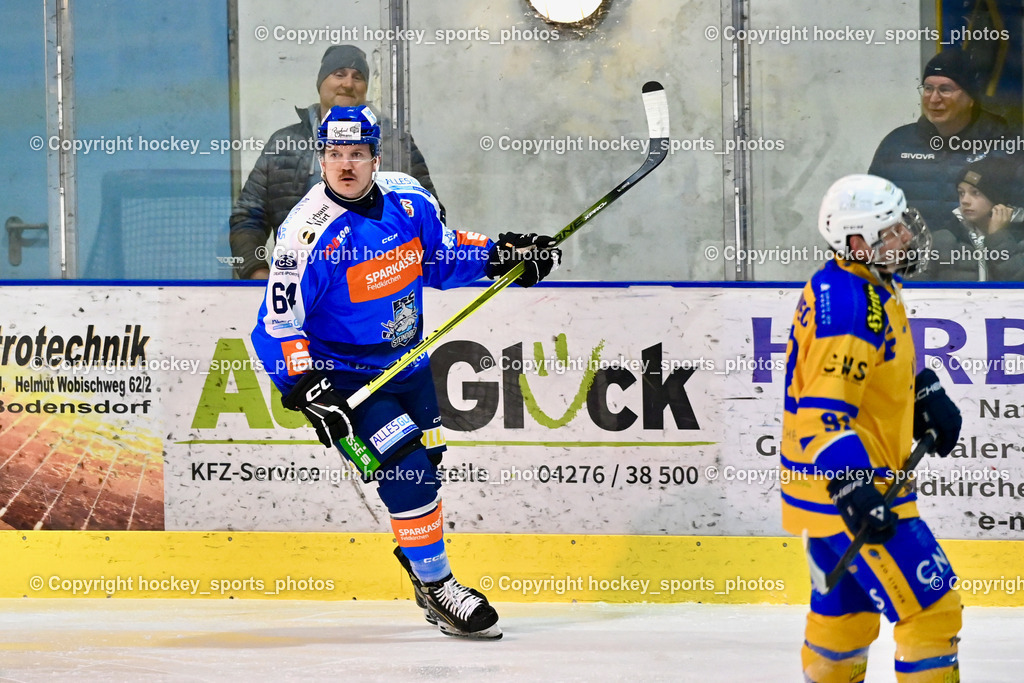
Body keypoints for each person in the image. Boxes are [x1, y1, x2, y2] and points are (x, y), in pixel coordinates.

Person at [250, 105, 560, 639]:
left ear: (374, 156)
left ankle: (420, 570)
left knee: (427, 468)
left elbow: (437, 258)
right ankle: (439, 586)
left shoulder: (407, 197)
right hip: (347, 378)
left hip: (408, 364)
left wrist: (504, 257)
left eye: (355, 154)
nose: (344, 165)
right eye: (333, 154)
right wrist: (306, 387)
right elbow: (276, 324)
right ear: (320, 158)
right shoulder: (305, 237)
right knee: (405, 469)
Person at [781, 174, 964, 681]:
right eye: (892, 230)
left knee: (845, 620)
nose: (905, 235)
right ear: (857, 242)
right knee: (934, 612)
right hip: (854, 491)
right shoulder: (851, 310)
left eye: (902, 225)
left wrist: (921, 389)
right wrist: (853, 487)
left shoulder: (865, 283)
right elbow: (824, 410)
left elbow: (877, 367)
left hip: (824, 489)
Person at [230, 45, 439, 279]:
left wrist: (400, 275)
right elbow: (248, 216)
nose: (348, 84)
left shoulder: (394, 142)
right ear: (321, 83)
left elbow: (431, 214)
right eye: (339, 74)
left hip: (375, 289)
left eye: (357, 77)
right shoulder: (284, 143)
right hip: (299, 286)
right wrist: (259, 275)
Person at [868, 48, 1013, 231]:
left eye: (945, 89)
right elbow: (870, 211)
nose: (934, 99)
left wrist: (997, 242)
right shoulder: (896, 144)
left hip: (982, 257)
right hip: (913, 257)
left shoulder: (1005, 147)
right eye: (928, 88)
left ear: (971, 99)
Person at [925, 155, 1024, 281]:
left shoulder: (1020, 241)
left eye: (975, 193)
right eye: (961, 193)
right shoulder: (941, 241)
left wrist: (998, 237)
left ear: (998, 198)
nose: (965, 201)